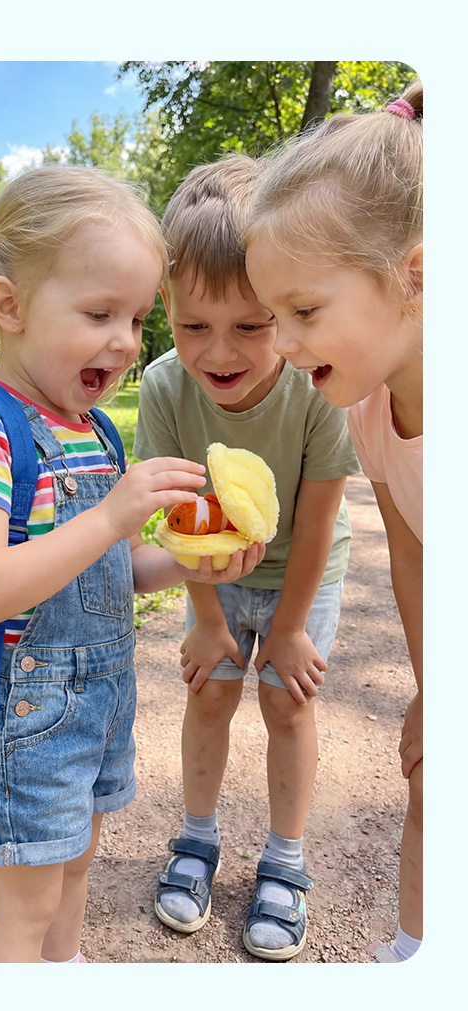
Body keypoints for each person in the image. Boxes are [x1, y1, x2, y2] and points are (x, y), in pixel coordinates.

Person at [0, 165, 264, 964]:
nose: (126, 342)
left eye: (136, 320)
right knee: (27, 903)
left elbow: (113, 575)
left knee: (76, 879)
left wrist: (193, 564)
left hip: (100, 702)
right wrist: (108, 516)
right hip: (29, 717)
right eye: (99, 313)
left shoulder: (93, 429)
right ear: (11, 306)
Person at [135, 154, 361, 961]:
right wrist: (202, 619)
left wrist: (293, 629)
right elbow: (179, 520)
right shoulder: (165, 390)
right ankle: (196, 842)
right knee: (211, 697)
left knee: (288, 705)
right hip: (214, 578)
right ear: (166, 307)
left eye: (250, 325)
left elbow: (320, 507)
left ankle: (285, 864)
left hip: (302, 572)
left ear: (285, 311)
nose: (218, 353)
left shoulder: (319, 385)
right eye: (194, 325)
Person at [244, 80, 423, 963]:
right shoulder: (366, 409)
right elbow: (414, 559)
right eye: (274, 317)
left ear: (415, 278)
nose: (280, 344)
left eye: (304, 313)